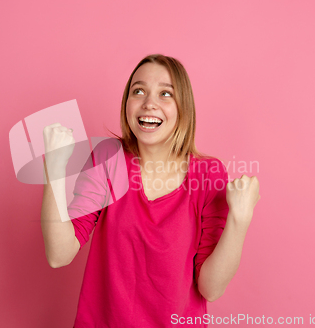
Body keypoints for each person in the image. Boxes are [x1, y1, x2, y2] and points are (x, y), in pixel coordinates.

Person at [41, 54, 261, 328]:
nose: (149, 103)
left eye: (165, 94)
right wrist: (54, 171)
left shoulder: (208, 174)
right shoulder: (109, 158)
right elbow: (59, 254)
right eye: (139, 91)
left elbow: (211, 289)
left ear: (184, 108)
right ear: (127, 103)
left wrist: (240, 221)